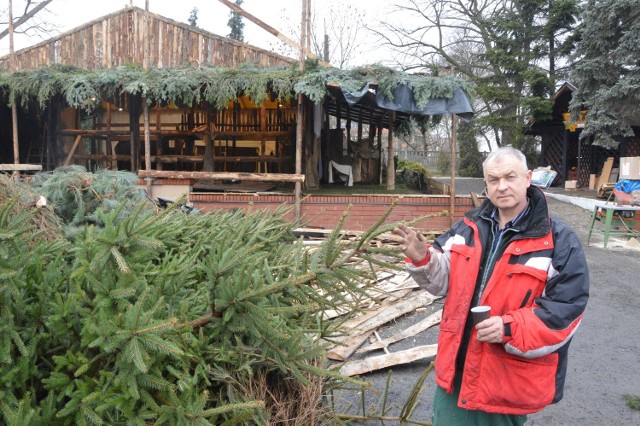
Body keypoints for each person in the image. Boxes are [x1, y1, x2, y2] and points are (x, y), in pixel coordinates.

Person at [393, 146, 589, 425]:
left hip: (505, 381)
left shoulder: (558, 239)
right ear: (485, 184)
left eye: (510, 177)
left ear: (528, 178)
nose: (502, 186)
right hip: (456, 371)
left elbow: (566, 312)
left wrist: (508, 327)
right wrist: (422, 258)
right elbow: (442, 281)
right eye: (494, 180)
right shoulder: (467, 227)